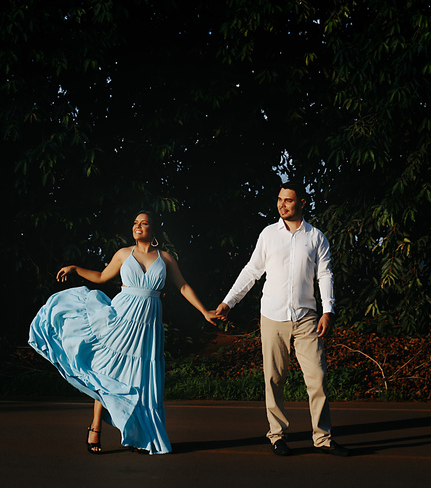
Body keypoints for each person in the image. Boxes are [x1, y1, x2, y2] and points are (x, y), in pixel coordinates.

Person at [29, 210, 220, 455]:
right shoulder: (123, 254)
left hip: (147, 326)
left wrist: (204, 312)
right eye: (135, 223)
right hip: (121, 319)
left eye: (144, 223)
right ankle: (95, 426)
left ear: (154, 229)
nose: (138, 226)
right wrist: (75, 268)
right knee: (108, 371)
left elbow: (182, 286)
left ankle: (142, 436)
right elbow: (101, 277)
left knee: (141, 378)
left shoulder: (165, 258)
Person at [215, 182, 350, 457]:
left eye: (288, 200)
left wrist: (328, 310)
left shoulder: (316, 237)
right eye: (279, 199)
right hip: (273, 317)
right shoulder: (268, 234)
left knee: (317, 377)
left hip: (306, 318)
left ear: (302, 203)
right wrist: (229, 302)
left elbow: (325, 275)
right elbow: (252, 271)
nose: (282, 204)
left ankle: (322, 438)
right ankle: (277, 436)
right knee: (274, 378)